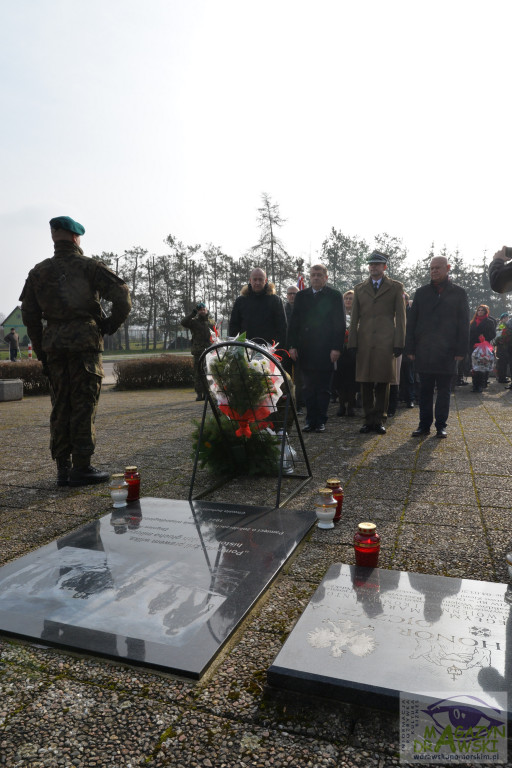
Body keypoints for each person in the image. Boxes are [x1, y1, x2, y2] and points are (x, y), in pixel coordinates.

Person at [20, 215, 131, 486]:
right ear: (75, 237)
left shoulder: (38, 272)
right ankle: (82, 467)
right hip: (84, 345)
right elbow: (123, 298)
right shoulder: (90, 267)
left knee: (60, 404)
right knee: (83, 404)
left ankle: (62, 469)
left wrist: (42, 348)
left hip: (54, 345)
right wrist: (107, 325)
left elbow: (29, 315)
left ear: (54, 236)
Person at [406, 256, 469, 438]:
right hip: (424, 351)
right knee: (424, 391)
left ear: (447, 268)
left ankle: (441, 425)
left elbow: (464, 324)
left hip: (448, 352)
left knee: (444, 391)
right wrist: (409, 348)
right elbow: (412, 323)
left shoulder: (459, 293)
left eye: (438, 268)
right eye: (431, 268)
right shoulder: (422, 292)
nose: (434, 271)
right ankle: (423, 425)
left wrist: (461, 351)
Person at [348, 252, 406, 435]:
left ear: (385, 267)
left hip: (386, 341)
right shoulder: (359, 288)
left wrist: (399, 342)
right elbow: (354, 317)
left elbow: (401, 317)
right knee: (365, 381)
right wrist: (352, 343)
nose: (373, 267)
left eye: (378, 264)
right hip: (364, 340)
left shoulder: (396, 287)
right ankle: (367, 419)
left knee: (382, 381)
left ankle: (380, 419)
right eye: (371, 264)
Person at [288, 264, 345, 433]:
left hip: (327, 350)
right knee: (307, 387)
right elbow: (294, 324)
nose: (316, 277)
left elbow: (340, 324)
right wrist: (292, 346)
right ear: (309, 277)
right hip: (306, 349)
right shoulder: (301, 296)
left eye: (319, 275)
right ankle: (309, 420)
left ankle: (320, 420)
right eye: (313, 274)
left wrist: (337, 348)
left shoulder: (334, 296)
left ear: (326, 277)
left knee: (323, 388)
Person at [228, 267, 287, 346]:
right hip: (245, 349)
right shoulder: (241, 301)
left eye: (260, 279)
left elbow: (282, 328)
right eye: (255, 279)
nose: (257, 282)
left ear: (265, 281)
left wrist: (277, 350)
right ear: (250, 280)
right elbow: (234, 327)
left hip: (269, 351)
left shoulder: (275, 300)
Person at [181, 302, 215, 401]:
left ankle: (207, 393)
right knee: (198, 373)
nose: (202, 311)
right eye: (200, 310)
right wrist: (193, 313)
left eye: (203, 309)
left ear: (207, 310)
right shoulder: (194, 322)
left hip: (209, 351)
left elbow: (215, 335)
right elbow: (183, 322)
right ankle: (199, 394)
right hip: (198, 351)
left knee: (208, 372)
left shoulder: (211, 322)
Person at [335, 290, 358, 417]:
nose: (348, 300)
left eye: (351, 298)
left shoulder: (358, 315)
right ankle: (341, 404)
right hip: (341, 351)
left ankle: (351, 405)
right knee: (340, 379)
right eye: (346, 298)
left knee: (352, 380)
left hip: (353, 351)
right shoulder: (339, 314)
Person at [469, 304, 495, 392]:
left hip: (483, 347)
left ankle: (480, 385)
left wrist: (485, 338)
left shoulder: (489, 322)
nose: (480, 312)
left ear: (485, 312)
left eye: (482, 310)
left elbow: (493, 334)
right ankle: (474, 384)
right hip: (473, 346)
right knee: (473, 366)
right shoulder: (473, 322)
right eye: (478, 310)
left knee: (481, 366)